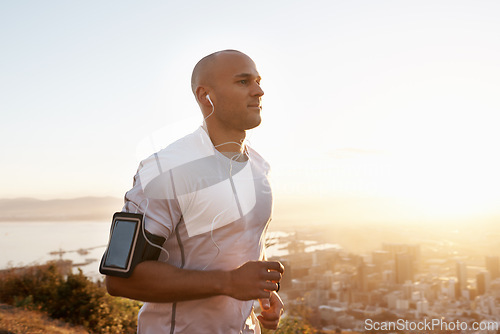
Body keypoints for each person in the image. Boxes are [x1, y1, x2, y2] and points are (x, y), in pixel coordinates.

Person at [105, 50, 284, 333]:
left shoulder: (260, 167)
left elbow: (242, 248)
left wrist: (261, 291)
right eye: (243, 82)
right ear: (205, 96)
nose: (259, 91)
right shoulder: (165, 170)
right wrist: (229, 283)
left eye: (258, 81)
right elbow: (120, 279)